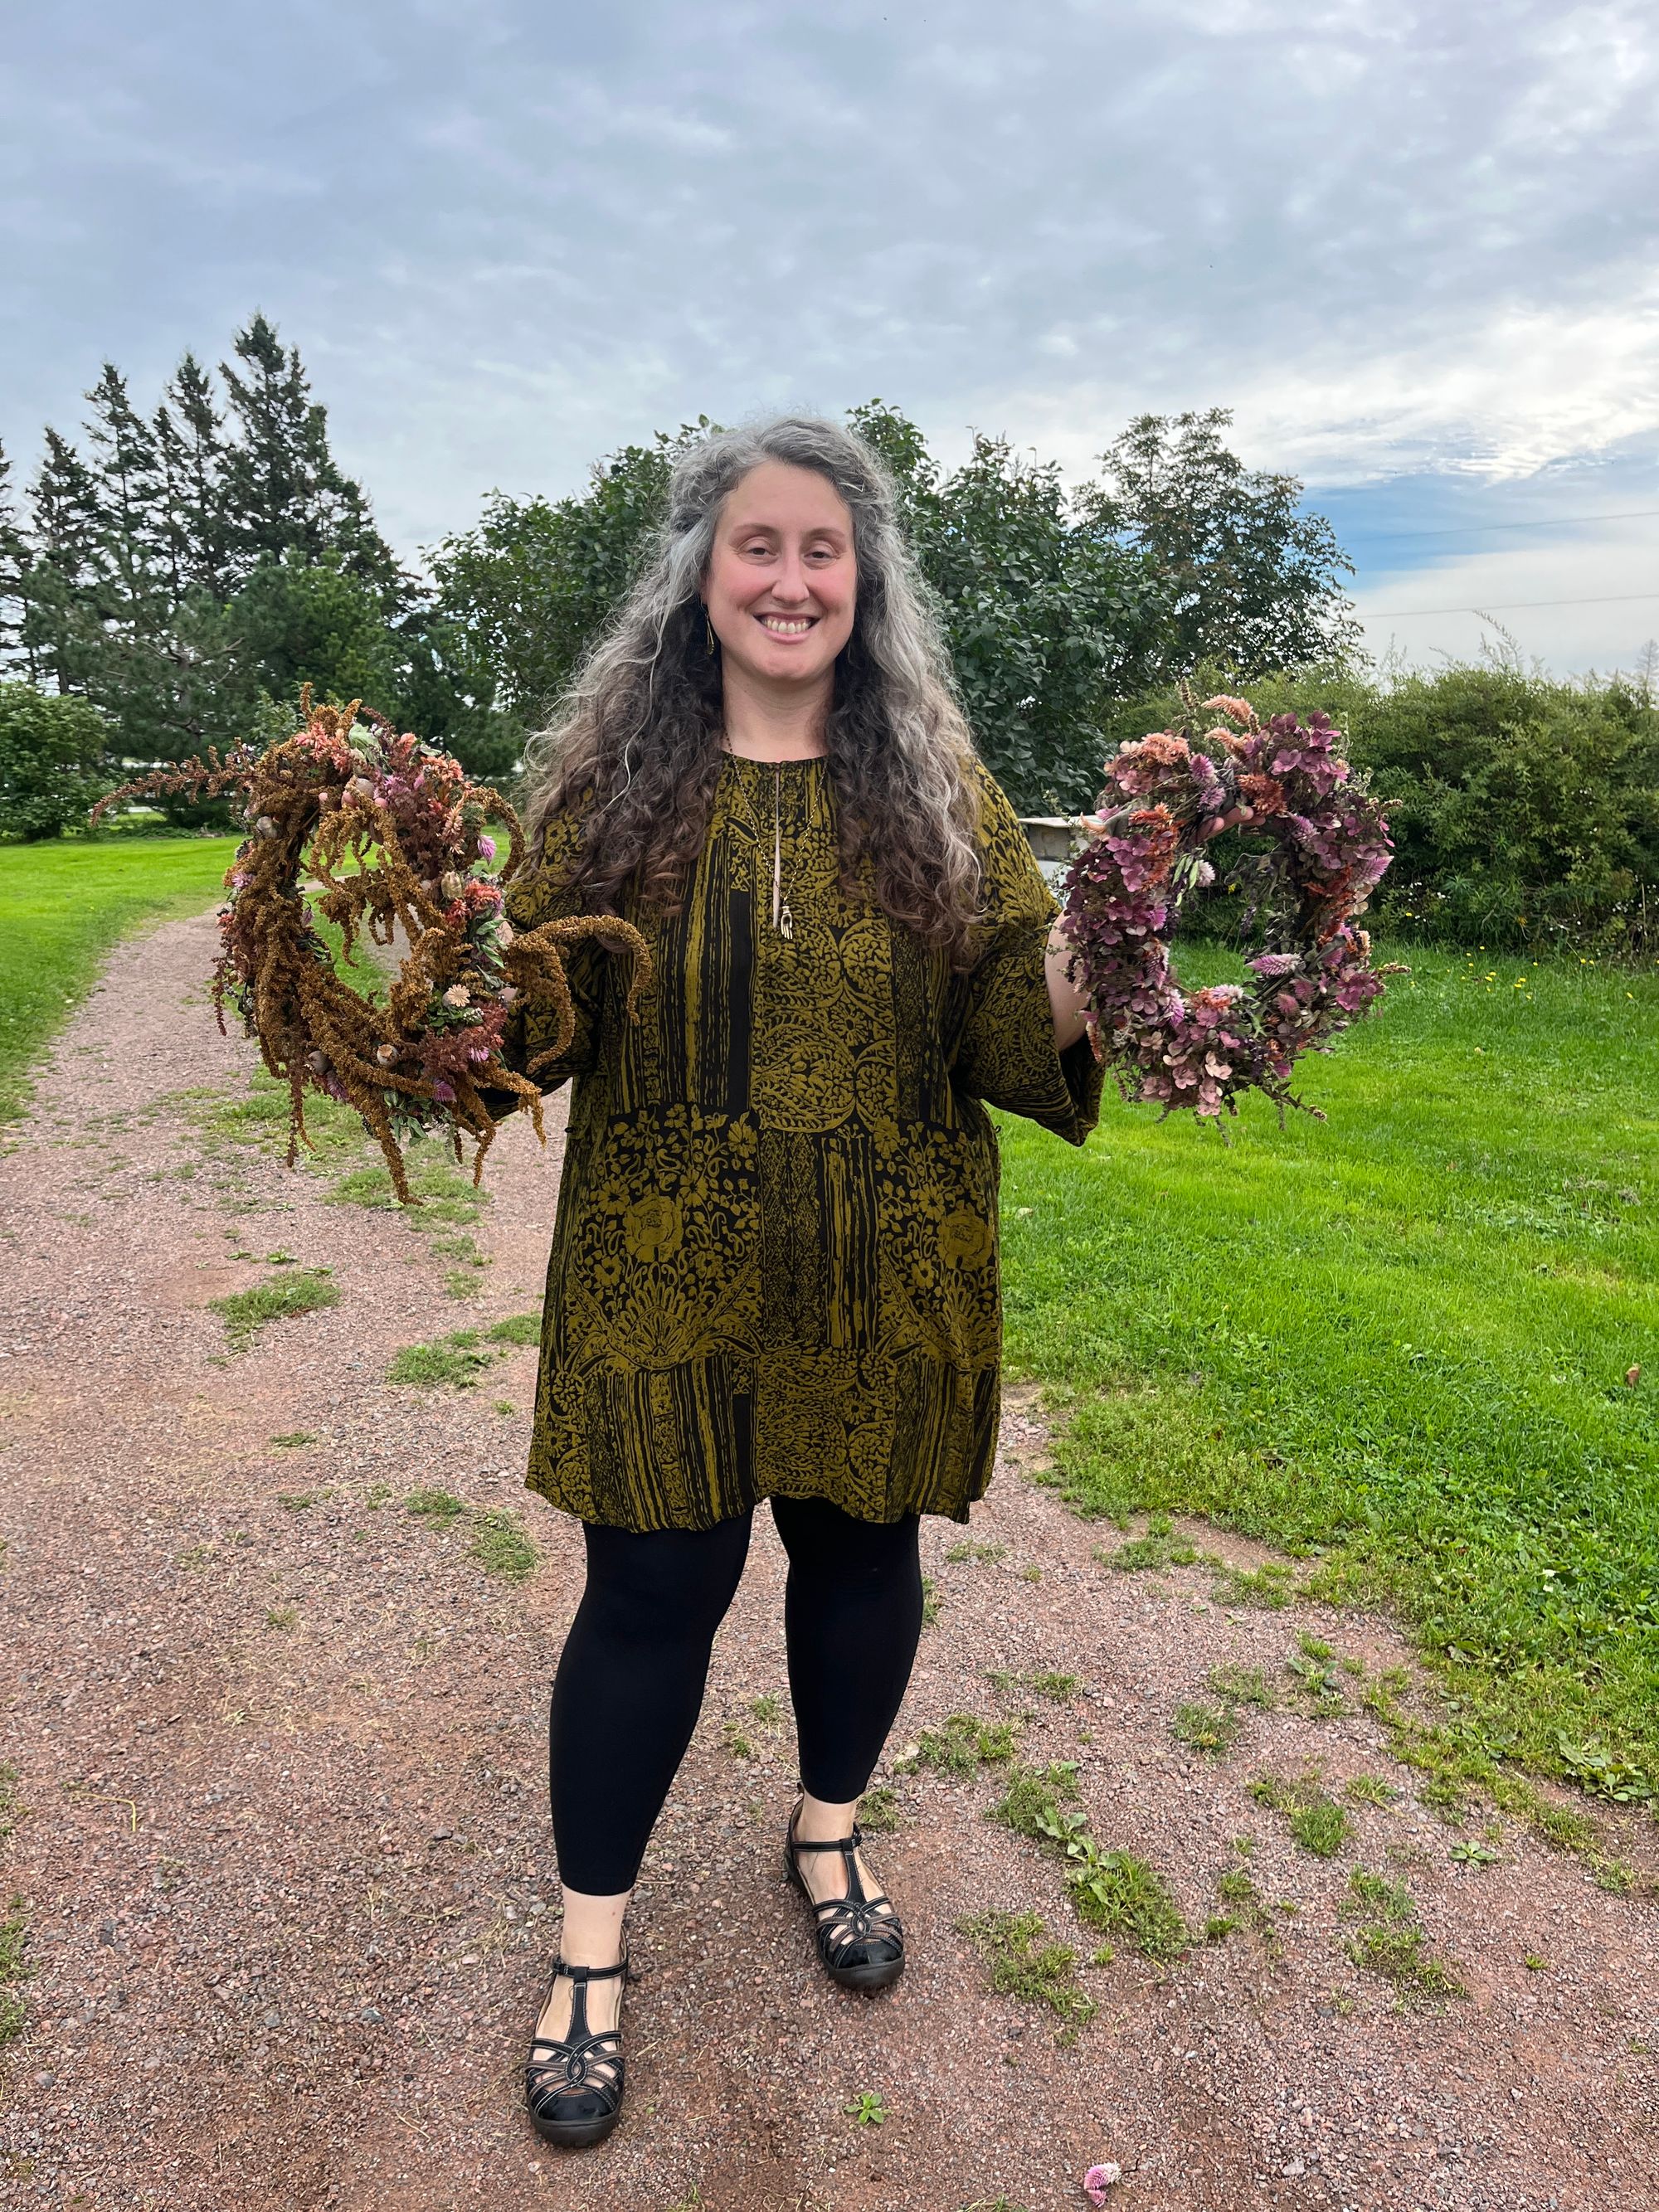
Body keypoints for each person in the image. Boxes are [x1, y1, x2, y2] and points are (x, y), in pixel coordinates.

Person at [493, 416, 1102, 2148]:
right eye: (756, 545)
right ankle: (590, 1948)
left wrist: (1092, 957)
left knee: (861, 1559)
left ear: (864, 578)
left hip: (884, 1258)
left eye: (821, 549)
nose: (789, 578)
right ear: (700, 571)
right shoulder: (609, 795)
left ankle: (826, 1823)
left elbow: (1005, 1025)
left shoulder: (942, 786)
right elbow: (535, 1027)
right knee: (646, 1596)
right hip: (659, 1268)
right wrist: (428, 1018)